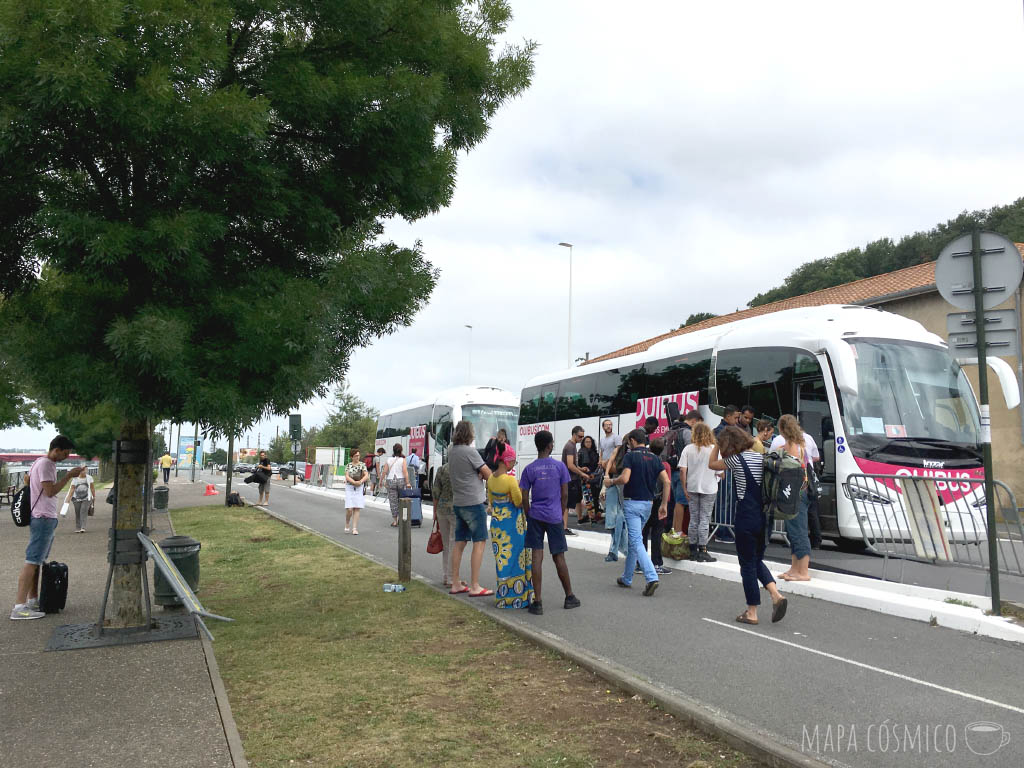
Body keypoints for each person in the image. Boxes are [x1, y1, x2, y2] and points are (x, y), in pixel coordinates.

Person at [708, 426, 788, 625]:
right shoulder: (762, 457)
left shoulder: (735, 459)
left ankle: (751, 612)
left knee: (747, 564)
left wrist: (717, 445)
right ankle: (776, 595)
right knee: (756, 559)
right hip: (764, 518)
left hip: (746, 516)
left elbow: (711, 464)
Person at [11, 436, 85, 620]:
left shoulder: (38, 462)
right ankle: (19, 607)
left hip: (42, 517)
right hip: (43, 518)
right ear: (56, 449)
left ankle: (32, 600)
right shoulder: (47, 465)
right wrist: (68, 476)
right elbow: (50, 491)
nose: (66, 457)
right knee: (32, 560)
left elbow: (28, 480)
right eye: (65, 453)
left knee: (38, 561)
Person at [519, 430, 579, 615]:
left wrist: (529, 514)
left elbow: (524, 496)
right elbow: (565, 494)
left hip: (536, 515)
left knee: (537, 556)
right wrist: (561, 513)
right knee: (558, 556)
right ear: (550, 445)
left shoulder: (529, 469)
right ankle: (569, 596)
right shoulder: (560, 467)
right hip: (554, 517)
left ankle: (537, 602)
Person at [606, 428, 669, 597]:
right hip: (648, 504)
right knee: (636, 540)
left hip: (632, 503)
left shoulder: (630, 456)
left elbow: (625, 478)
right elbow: (667, 481)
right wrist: (664, 504)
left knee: (636, 541)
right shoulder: (655, 458)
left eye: (628, 442)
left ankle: (651, 577)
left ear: (633, 441)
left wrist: (611, 481)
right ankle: (627, 578)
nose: (627, 445)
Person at [448, 420, 493, 597]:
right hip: (474, 502)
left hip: (458, 501)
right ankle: (475, 585)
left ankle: (455, 582)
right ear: (470, 434)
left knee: (459, 543)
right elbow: (488, 474)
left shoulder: (452, 451)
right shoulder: (470, 452)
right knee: (479, 542)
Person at [770, 414, 817, 581]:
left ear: (782, 428)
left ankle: (803, 571)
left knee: (798, 530)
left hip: (796, 492)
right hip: (802, 491)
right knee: (793, 529)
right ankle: (794, 568)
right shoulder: (802, 442)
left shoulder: (789, 446)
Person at [486, 448, 534, 609]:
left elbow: (491, 500)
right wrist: (520, 488)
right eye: (513, 461)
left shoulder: (491, 479)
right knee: (517, 559)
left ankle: (503, 595)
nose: (513, 464)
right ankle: (518, 596)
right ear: (506, 461)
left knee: (502, 561)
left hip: (497, 525)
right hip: (513, 525)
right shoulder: (510, 480)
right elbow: (519, 501)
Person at [680, 422, 718, 562]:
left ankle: (692, 549)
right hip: (709, 488)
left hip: (692, 487)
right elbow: (720, 472)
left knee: (693, 518)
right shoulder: (713, 449)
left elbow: (683, 470)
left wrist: (684, 487)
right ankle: (703, 550)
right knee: (704, 519)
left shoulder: (688, 449)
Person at [641, 437, 673, 576]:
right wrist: (665, 503)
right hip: (658, 500)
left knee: (643, 531)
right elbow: (667, 483)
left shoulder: (643, 461)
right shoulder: (664, 464)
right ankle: (656, 563)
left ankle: (640, 563)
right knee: (656, 532)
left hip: (644, 499)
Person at [601, 441, 629, 562]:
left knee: (618, 520)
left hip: (618, 486)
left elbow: (608, 463)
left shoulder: (621, 454)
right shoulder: (622, 453)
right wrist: (607, 476)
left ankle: (615, 550)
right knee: (617, 520)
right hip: (619, 487)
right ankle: (617, 550)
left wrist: (607, 476)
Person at [431, 461, 456, 588]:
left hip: (441, 509)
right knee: (454, 543)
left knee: (446, 544)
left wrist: (434, 511)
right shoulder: (461, 468)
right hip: (455, 510)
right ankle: (452, 578)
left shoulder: (441, 469)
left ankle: (446, 575)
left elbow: (435, 492)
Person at [560, 426, 588, 536]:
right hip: (570, 479)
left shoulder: (572, 446)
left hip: (573, 478)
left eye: (583, 436)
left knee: (576, 499)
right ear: (574, 435)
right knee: (567, 504)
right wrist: (582, 473)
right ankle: (564, 527)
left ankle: (579, 519)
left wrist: (581, 469)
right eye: (580, 436)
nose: (581, 439)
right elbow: (570, 465)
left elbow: (573, 465)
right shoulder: (570, 446)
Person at [384, 444, 411, 527]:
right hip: (401, 481)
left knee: (393, 501)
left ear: (393, 450)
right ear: (401, 450)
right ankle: (401, 519)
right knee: (402, 500)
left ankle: (395, 521)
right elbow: (405, 472)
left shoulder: (389, 460)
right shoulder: (403, 460)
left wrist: (382, 481)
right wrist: (408, 483)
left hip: (391, 481)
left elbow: (384, 471)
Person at [576, 435, 601, 524]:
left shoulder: (595, 453)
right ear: (583, 443)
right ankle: (592, 517)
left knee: (595, 496)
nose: (588, 443)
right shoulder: (581, 452)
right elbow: (578, 465)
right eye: (586, 442)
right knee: (588, 498)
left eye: (590, 442)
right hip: (585, 478)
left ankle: (594, 516)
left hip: (594, 477)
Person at [63, 466, 95, 534]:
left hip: (87, 498)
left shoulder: (89, 478)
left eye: (86, 470)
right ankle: (78, 527)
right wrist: (68, 499)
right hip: (76, 498)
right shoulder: (75, 479)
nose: (85, 471)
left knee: (83, 511)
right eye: (84, 470)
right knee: (77, 512)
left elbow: (92, 488)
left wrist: (93, 496)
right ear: (80, 471)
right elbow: (72, 489)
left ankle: (83, 527)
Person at [343, 449, 368, 535]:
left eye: (358, 455)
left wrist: (360, 482)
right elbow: (346, 476)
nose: (357, 457)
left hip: (359, 487)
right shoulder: (348, 465)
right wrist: (353, 482)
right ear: (351, 457)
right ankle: (347, 522)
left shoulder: (362, 465)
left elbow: (366, 475)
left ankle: (354, 528)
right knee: (349, 509)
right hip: (350, 487)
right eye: (355, 456)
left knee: (357, 508)